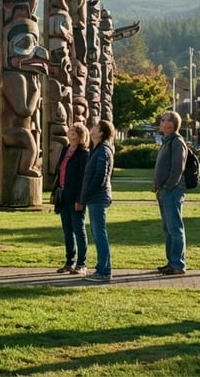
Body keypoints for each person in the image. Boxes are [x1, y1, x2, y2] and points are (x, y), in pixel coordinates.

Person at [152, 110, 189, 275]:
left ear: (172, 124)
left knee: (175, 228)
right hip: (163, 191)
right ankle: (171, 261)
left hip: (172, 191)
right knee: (168, 228)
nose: (161, 123)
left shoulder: (177, 142)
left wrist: (167, 187)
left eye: (164, 120)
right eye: (161, 120)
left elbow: (177, 169)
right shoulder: (167, 141)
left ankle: (178, 264)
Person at [78, 119, 114, 283]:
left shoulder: (103, 151)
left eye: (95, 128)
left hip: (98, 197)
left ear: (101, 132)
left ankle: (104, 271)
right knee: (97, 232)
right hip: (95, 196)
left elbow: (100, 176)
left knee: (99, 234)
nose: (91, 130)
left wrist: (86, 196)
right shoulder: (97, 149)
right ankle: (102, 269)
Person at [53, 123, 89, 275]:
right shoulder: (65, 149)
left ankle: (82, 263)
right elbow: (59, 171)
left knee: (78, 229)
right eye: (70, 131)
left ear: (81, 135)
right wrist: (55, 191)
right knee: (67, 230)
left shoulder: (84, 153)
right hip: (63, 195)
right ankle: (70, 261)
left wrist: (80, 199)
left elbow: (83, 178)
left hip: (76, 196)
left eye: (74, 131)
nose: (70, 133)